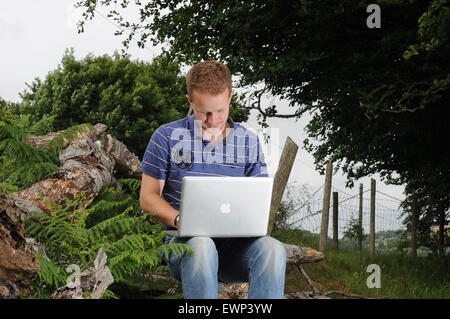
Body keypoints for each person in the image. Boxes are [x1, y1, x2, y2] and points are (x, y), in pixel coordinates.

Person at [139, 61, 287, 299]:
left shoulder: (249, 142)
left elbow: (258, 200)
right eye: (203, 112)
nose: (213, 120)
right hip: (184, 245)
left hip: (235, 249)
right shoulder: (165, 136)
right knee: (202, 246)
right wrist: (180, 219)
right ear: (190, 101)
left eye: (219, 111)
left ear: (230, 96)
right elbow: (148, 198)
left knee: (273, 250)